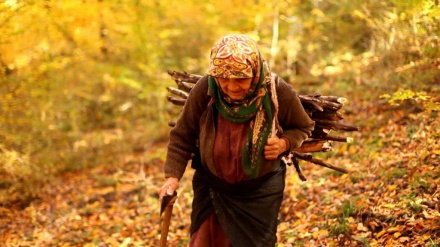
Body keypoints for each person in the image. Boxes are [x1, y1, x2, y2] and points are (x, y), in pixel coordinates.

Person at [159, 34, 315, 246]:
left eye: (241, 78)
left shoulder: (276, 90)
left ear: (255, 72)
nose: (232, 86)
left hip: (259, 192)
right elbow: (182, 135)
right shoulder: (206, 89)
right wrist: (172, 177)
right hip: (212, 187)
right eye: (224, 78)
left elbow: (304, 126)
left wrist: (284, 143)